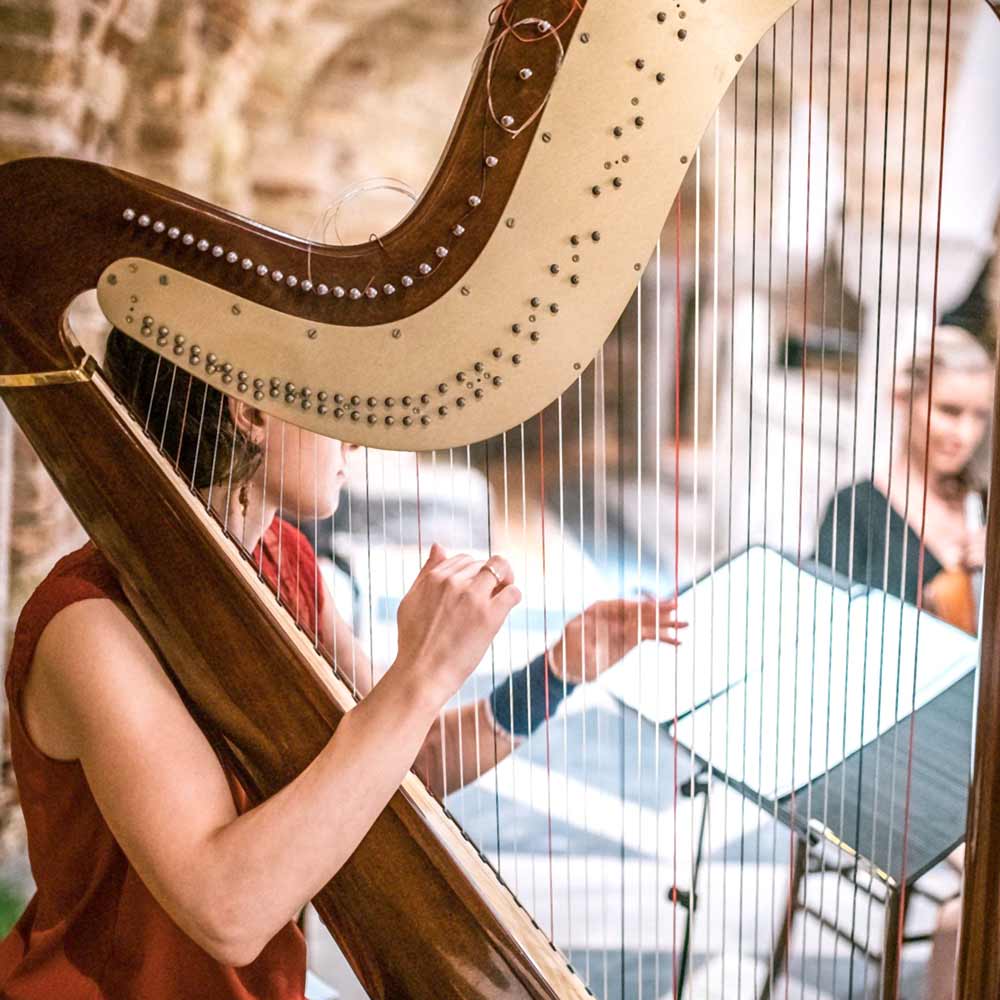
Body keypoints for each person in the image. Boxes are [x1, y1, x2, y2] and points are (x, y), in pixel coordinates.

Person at [0, 327, 684, 998]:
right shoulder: (88, 625)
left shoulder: (284, 559)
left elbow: (406, 764)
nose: (353, 435)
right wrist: (421, 675)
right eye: (333, 401)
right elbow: (226, 912)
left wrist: (557, 672)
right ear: (251, 411)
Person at [816, 325, 993, 631]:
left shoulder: (987, 506)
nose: (965, 435)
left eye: (979, 416)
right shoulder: (855, 508)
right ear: (903, 399)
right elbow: (830, 627)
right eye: (949, 411)